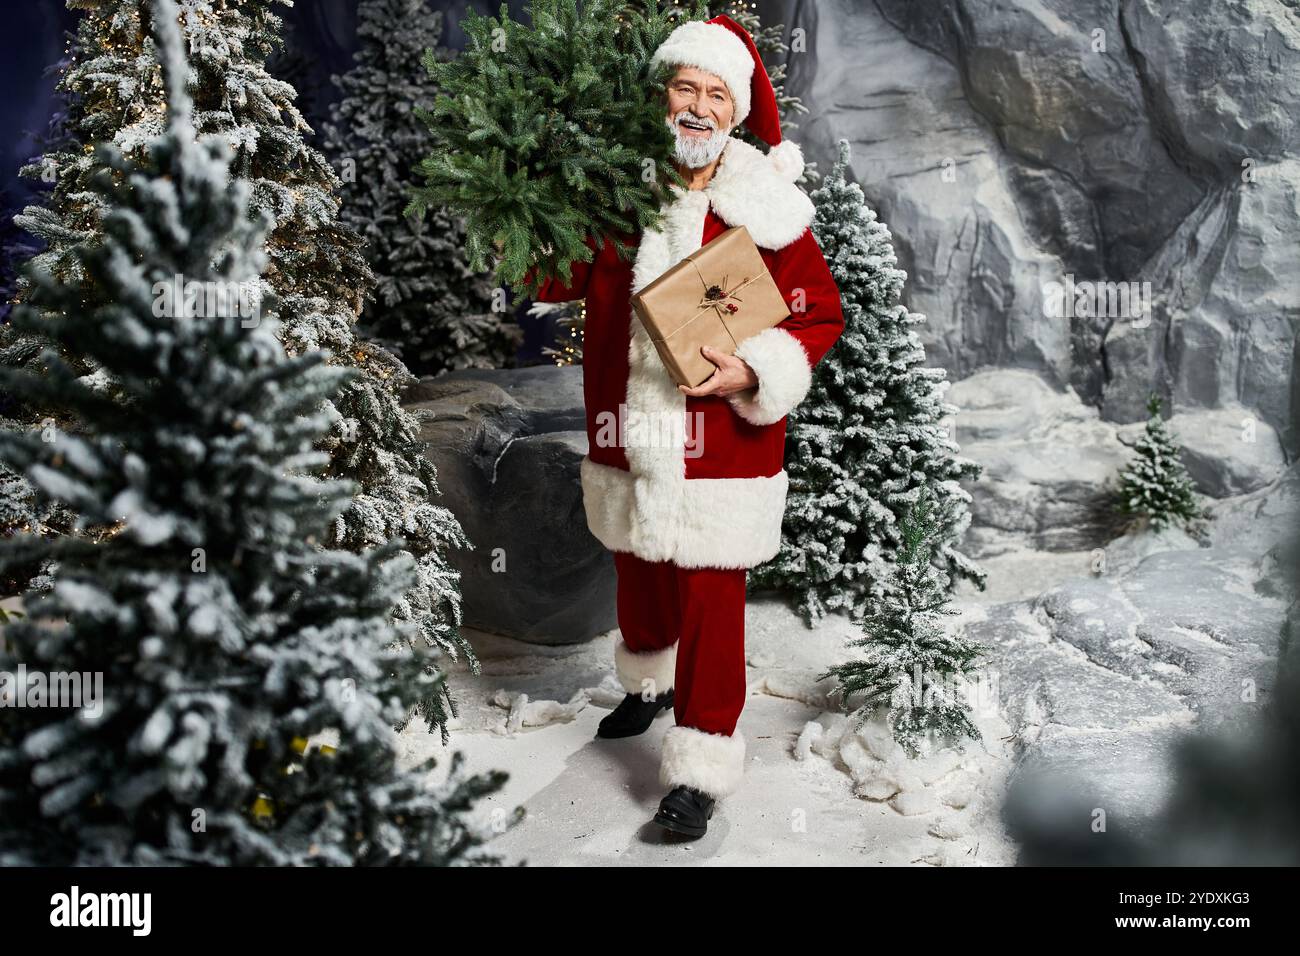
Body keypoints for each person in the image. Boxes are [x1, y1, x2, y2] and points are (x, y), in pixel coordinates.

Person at [529, 14, 845, 838]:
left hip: (722, 439)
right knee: (637, 561)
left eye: (715, 93)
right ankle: (648, 684)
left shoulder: (767, 207)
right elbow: (548, 270)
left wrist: (754, 371)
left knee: (709, 590)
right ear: (663, 96)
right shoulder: (615, 190)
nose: (698, 107)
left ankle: (702, 761)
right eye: (685, 88)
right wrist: (518, 201)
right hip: (628, 422)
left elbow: (818, 313)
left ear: (734, 111)